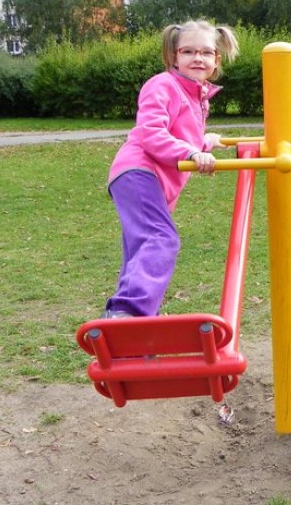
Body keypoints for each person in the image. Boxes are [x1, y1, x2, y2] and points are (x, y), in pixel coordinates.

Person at [101, 19, 239, 318]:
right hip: (138, 171)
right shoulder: (163, 84)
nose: (197, 58)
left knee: (140, 251)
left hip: (149, 180)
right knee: (160, 239)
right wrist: (191, 150)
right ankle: (129, 312)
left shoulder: (197, 97)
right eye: (188, 51)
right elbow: (152, 133)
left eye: (205, 53)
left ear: (217, 59)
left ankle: (130, 330)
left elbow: (180, 134)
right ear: (174, 56)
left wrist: (203, 142)